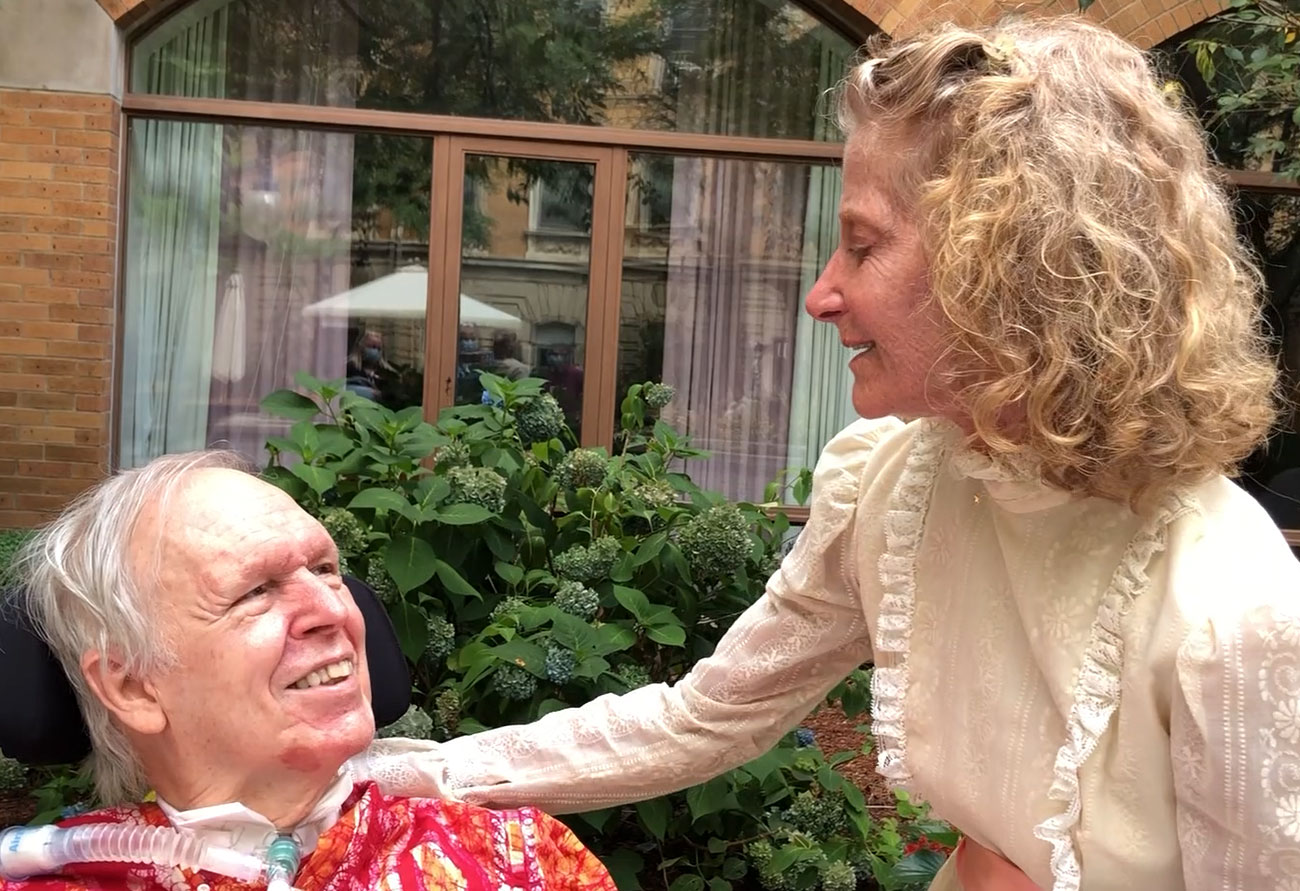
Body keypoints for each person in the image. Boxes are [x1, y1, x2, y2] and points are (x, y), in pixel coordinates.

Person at [354, 18, 1300, 891]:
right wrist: (409, 777)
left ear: (1009, 271)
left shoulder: (1232, 610)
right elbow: (705, 716)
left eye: (862, 246)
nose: (821, 294)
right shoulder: (899, 479)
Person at [2, 452, 615, 891]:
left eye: (325, 569)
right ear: (132, 686)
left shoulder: (527, 861)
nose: (335, 609)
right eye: (255, 591)